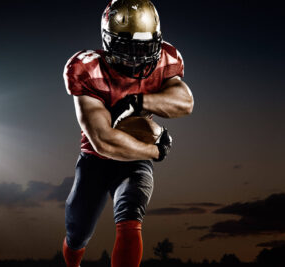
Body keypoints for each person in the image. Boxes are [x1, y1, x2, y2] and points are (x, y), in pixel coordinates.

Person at [62, 1, 194, 266]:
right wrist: (155, 150)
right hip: (95, 160)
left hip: (134, 157)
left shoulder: (166, 58)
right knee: (78, 231)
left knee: (130, 216)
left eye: (144, 48)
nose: (136, 58)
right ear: (108, 41)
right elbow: (103, 140)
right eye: (127, 48)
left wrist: (138, 102)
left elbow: (185, 102)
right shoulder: (87, 68)